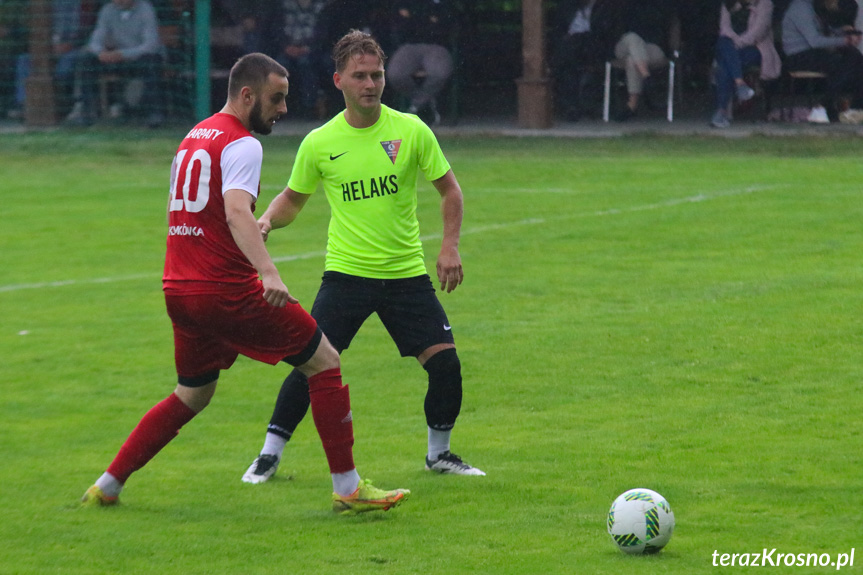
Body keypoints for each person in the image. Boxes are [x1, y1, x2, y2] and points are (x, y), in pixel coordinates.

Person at [80, 52, 409, 516]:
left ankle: (108, 484)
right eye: (276, 99)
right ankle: (349, 487)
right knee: (326, 361)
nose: (283, 109)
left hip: (179, 288)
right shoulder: (243, 144)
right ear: (248, 95)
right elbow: (237, 212)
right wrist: (269, 273)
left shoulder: (195, 135)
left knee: (192, 393)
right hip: (225, 290)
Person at [242, 30, 484, 485]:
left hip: (405, 275)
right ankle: (269, 455)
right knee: (311, 360)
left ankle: (440, 454)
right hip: (347, 277)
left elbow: (449, 190)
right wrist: (269, 220)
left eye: (376, 75)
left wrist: (449, 245)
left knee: (446, 365)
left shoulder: (411, 130)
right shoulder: (320, 142)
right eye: (360, 76)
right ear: (339, 81)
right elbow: (294, 198)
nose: (370, 84)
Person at [65, 0, 165, 127]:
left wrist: (123, 54)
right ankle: (87, 112)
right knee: (86, 59)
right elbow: (95, 40)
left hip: (139, 58)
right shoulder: (108, 10)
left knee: (151, 62)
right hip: (116, 59)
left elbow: (150, 45)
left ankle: (154, 114)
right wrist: (101, 53)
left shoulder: (146, 9)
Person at [782, 0, 863, 122]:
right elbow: (814, 41)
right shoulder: (800, 8)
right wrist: (845, 41)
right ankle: (825, 105)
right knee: (841, 64)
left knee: (856, 58)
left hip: (814, 53)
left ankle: (855, 107)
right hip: (799, 56)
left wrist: (845, 32)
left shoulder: (812, 7)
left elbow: (823, 30)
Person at [710, 0, 782, 128]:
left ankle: (721, 112)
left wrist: (737, 44)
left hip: (755, 47)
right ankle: (740, 84)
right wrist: (733, 43)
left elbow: (759, 31)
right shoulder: (727, 3)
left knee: (724, 62)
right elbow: (724, 28)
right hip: (731, 46)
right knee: (723, 45)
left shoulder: (765, 4)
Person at [550, 0, 625, 121]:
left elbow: (607, 32)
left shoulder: (605, 7)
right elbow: (559, 29)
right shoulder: (568, 6)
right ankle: (571, 107)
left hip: (594, 45)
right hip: (572, 44)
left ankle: (587, 105)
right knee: (568, 62)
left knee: (576, 51)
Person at [385, 0, 456, 125]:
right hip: (408, 46)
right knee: (395, 74)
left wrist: (414, 18)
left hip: (436, 46)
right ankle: (425, 103)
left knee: (439, 73)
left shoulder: (443, 4)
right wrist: (427, 20)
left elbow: (447, 26)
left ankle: (415, 107)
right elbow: (399, 26)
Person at [11, 0, 83, 120]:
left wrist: (69, 44)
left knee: (66, 67)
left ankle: (60, 106)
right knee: (23, 60)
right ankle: (24, 105)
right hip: (44, 49)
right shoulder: (35, 5)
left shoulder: (74, 4)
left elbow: (83, 31)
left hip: (70, 49)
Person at [256, 0, 329, 119]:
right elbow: (275, 29)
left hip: (312, 51)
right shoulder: (282, 6)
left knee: (306, 64)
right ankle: (276, 108)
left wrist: (308, 47)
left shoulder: (321, 7)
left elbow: (323, 33)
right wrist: (286, 46)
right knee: (278, 68)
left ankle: (308, 108)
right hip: (286, 50)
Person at [612, 0, 677, 121]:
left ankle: (631, 106)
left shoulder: (662, 7)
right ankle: (647, 78)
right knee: (633, 38)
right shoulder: (623, 5)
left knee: (632, 60)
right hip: (624, 45)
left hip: (650, 48)